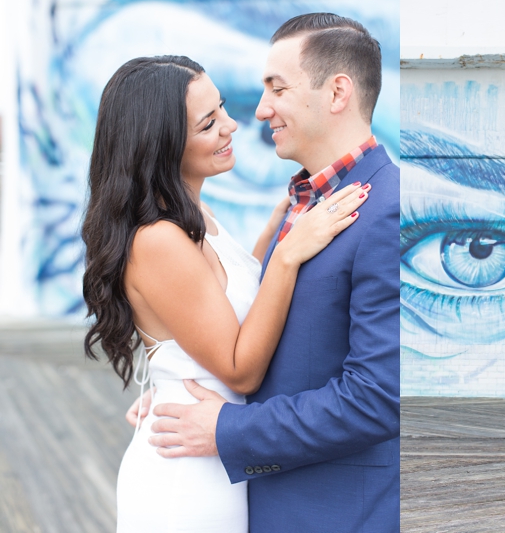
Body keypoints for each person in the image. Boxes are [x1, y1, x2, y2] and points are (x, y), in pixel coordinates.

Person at [131, 14, 401, 532]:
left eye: (277, 89)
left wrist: (229, 426)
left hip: (333, 511)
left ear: (338, 92)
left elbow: (375, 397)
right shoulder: (304, 203)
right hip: (249, 495)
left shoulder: (384, 208)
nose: (259, 111)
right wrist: (179, 384)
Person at [82, 55, 370, 532]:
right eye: (209, 122)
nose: (232, 126)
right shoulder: (158, 240)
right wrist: (286, 256)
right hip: (186, 476)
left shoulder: (194, 212)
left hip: (218, 455)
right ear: (163, 144)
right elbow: (239, 370)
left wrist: (281, 228)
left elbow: (229, 299)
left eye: (222, 109)